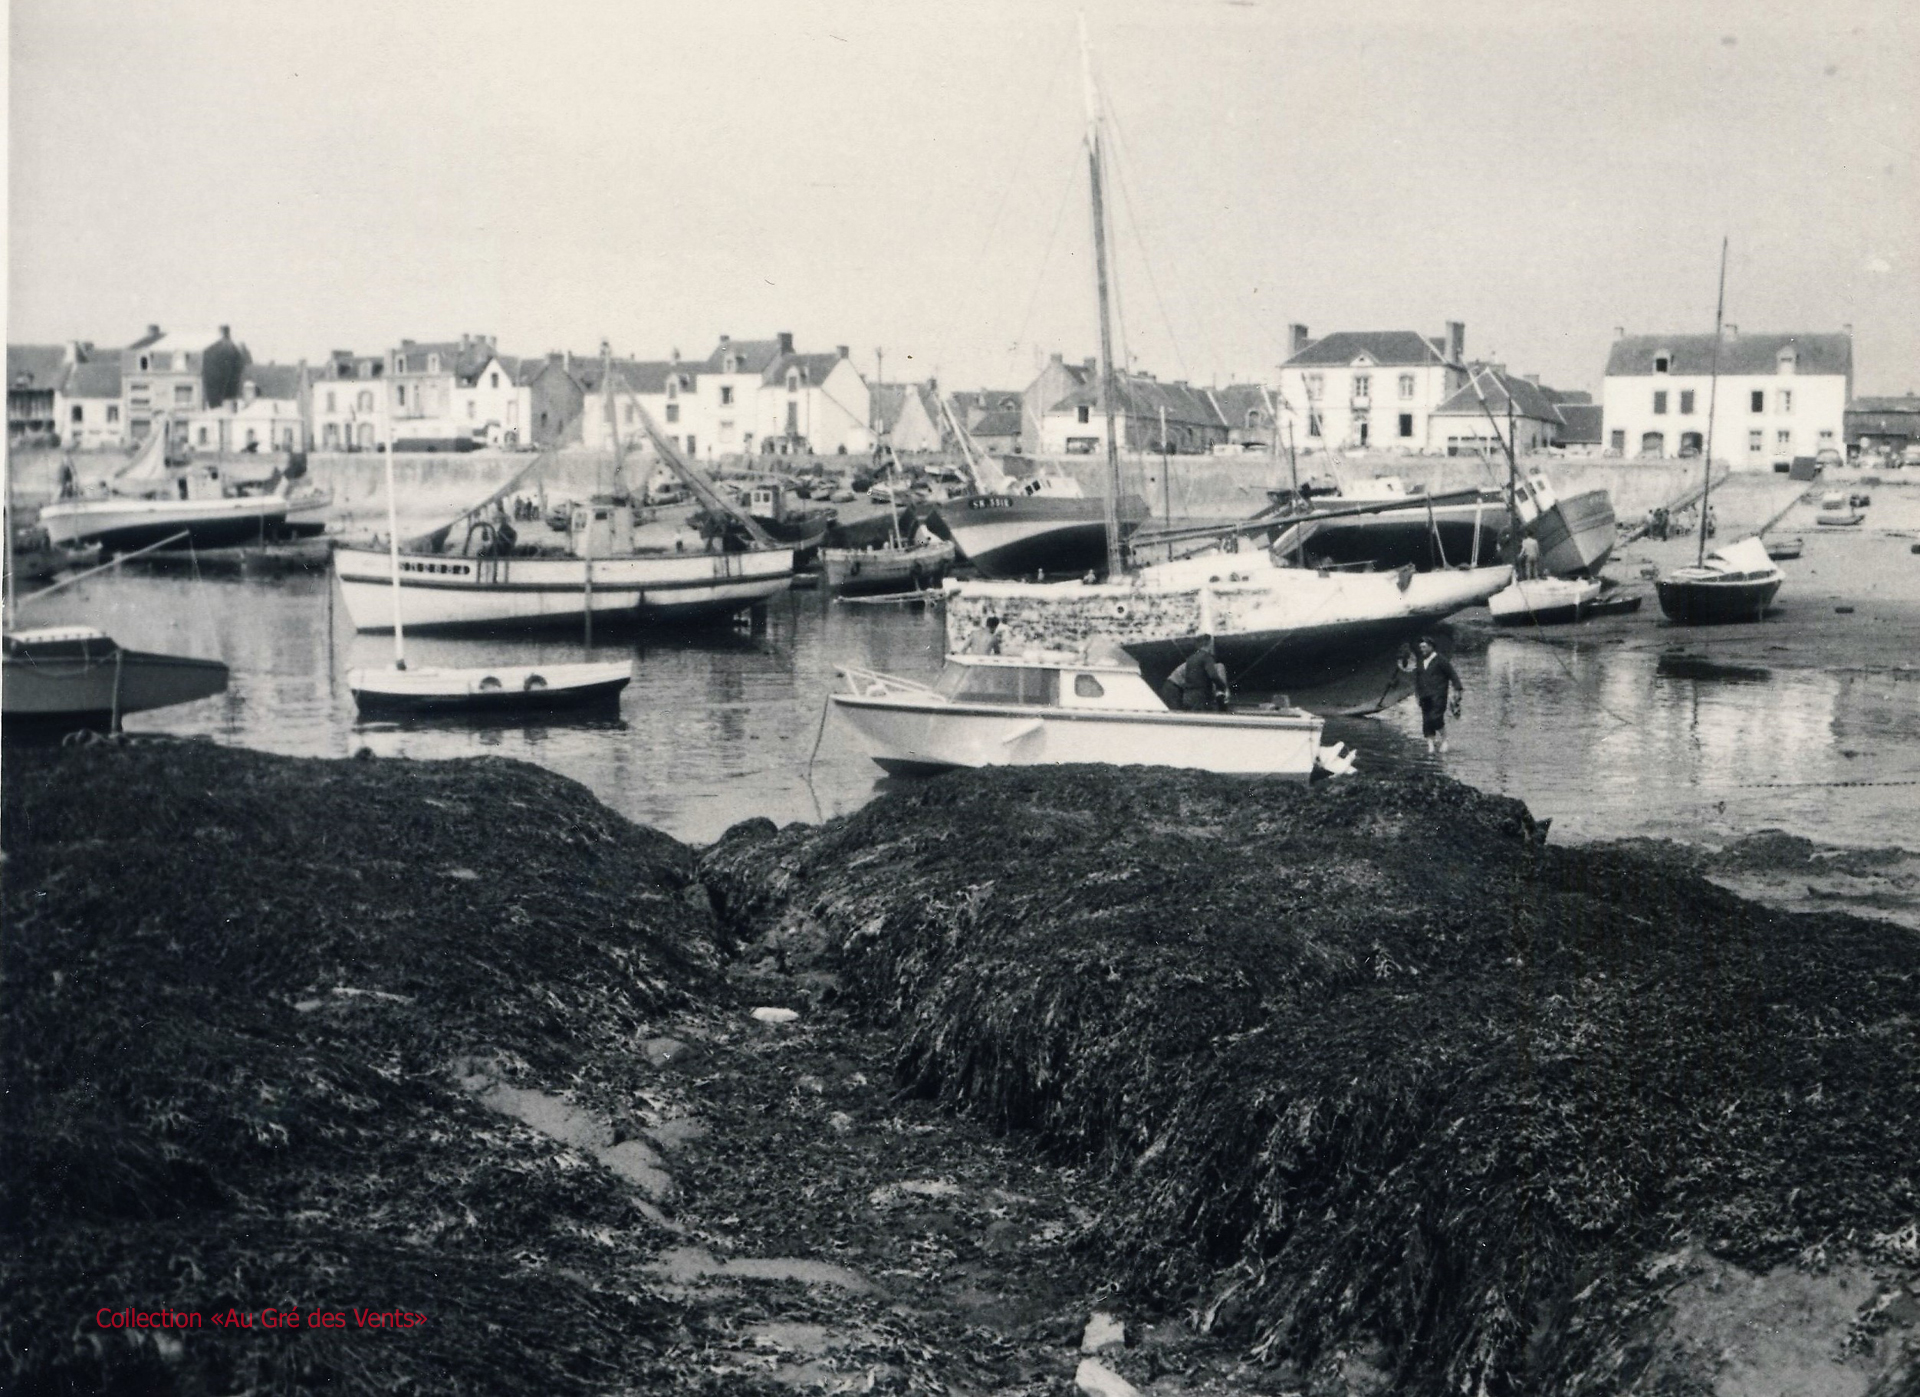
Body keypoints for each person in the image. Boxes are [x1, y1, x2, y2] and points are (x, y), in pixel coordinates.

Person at [1411, 636, 1463, 755]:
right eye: (1421, 647)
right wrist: (1417, 695)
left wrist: (1457, 689)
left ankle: (1445, 740)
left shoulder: (1441, 660)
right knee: (1426, 721)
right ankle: (1431, 746)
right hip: (1424, 695)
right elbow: (1417, 679)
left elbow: (1452, 675)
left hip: (1438, 694)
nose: (1422, 650)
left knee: (1435, 718)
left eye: (1424, 647)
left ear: (1431, 647)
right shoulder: (1420, 661)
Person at [1162, 634, 1230, 712]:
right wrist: (1224, 689)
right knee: (1178, 711)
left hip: (1185, 693)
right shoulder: (1209, 662)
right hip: (1174, 687)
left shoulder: (1193, 659)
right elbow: (1213, 677)